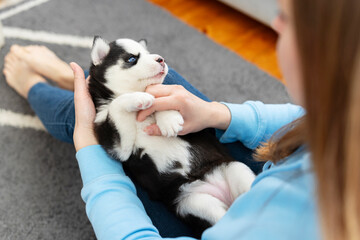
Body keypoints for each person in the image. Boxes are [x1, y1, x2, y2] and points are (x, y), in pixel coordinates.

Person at [3, 0, 359, 239]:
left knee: (84, 117)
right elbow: (306, 119)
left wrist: (90, 147)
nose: (276, 22)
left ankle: (41, 85)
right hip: (238, 175)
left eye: (289, 18)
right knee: (162, 84)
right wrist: (218, 114)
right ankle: (90, 82)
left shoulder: (281, 222)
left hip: (188, 196)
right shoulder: (344, 121)